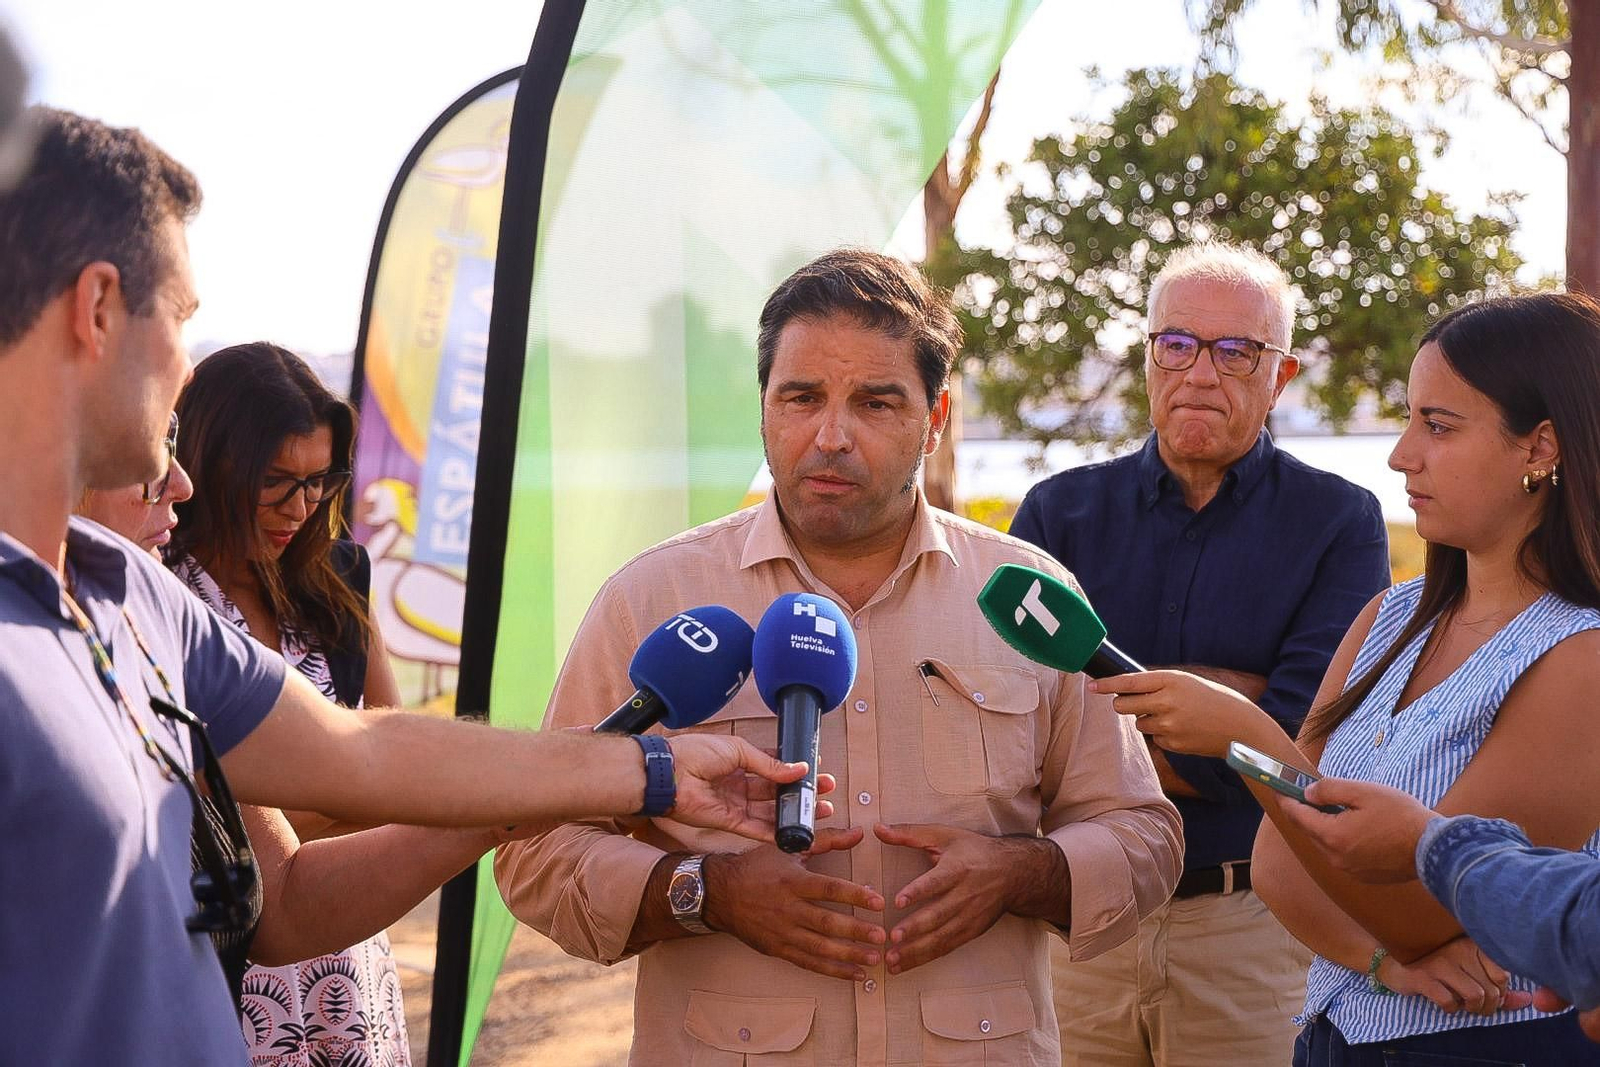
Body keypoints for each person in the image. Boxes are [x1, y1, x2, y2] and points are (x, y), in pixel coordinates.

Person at [0, 106, 816, 1067]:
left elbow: (361, 755)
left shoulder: (128, 597)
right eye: (180, 317)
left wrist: (659, 768)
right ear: (98, 308)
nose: (187, 362)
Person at [494, 248, 1183, 1066]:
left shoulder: (1027, 598)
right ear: (764, 411)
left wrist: (1021, 874)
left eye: (876, 402)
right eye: (802, 397)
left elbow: (1145, 833)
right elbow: (534, 843)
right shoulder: (653, 597)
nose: (830, 435)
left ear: (936, 418)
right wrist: (702, 893)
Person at [1091, 291, 1600, 1063]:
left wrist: (1247, 738)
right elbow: (1277, 866)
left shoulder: (1581, 656)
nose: (1402, 453)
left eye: (1438, 425)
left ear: (1541, 448)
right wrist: (1381, 962)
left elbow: (1427, 903)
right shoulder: (1389, 622)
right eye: (1408, 417)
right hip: (1336, 1040)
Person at [1008, 241, 1390, 1065]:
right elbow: (1015, 731)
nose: (1201, 373)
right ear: (1148, 358)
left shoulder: (1340, 523)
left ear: (1280, 375)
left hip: (1250, 934)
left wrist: (1110, 719)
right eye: (1176, 344)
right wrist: (1221, 709)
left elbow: (1303, 742)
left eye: (1236, 351)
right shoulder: (1056, 516)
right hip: (1082, 930)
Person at [78, 392, 533, 1065]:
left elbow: (374, 766)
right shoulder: (159, 595)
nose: (301, 504)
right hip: (232, 976)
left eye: (320, 481)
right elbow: (362, 778)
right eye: (277, 480)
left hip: (337, 949)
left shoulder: (336, 582)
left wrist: (516, 795)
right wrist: (357, 786)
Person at [1267, 775, 1600, 1043]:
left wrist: (1424, 841)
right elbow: (1275, 868)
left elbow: (1426, 919)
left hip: (1485, 1039)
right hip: (1335, 1027)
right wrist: (1381, 962)